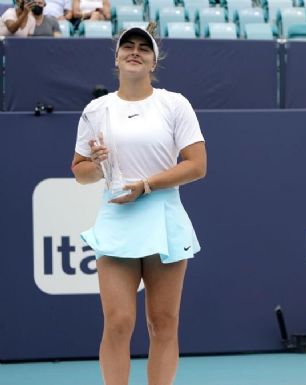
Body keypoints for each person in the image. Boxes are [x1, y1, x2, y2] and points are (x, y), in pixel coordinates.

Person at [71, 23, 206, 385]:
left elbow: (196, 166)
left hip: (163, 216)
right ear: (116, 58)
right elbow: (80, 172)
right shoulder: (96, 110)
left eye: (143, 48)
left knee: (163, 323)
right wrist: (98, 165)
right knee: (118, 322)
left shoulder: (174, 104)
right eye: (127, 46)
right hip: (117, 217)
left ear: (152, 62)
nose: (135, 51)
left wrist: (147, 185)